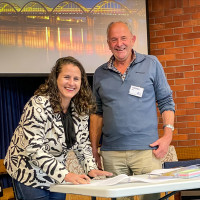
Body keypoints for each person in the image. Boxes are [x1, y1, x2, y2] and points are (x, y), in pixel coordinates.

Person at [4, 56, 112, 200]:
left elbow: (83, 145)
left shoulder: (80, 108)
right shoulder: (38, 105)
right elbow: (34, 149)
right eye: (66, 77)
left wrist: (91, 168)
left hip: (56, 174)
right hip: (28, 171)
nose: (71, 83)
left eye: (76, 79)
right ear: (55, 79)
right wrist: (66, 174)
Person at [90, 21, 175, 200]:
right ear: (108, 44)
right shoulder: (100, 73)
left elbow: (166, 101)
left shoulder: (151, 63)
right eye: (114, 39)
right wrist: (94, 150)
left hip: (147, 152)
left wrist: (167, 137)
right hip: (112, 154)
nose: (119, 44)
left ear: (133, 39)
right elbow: (97, 113)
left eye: (123, 38)